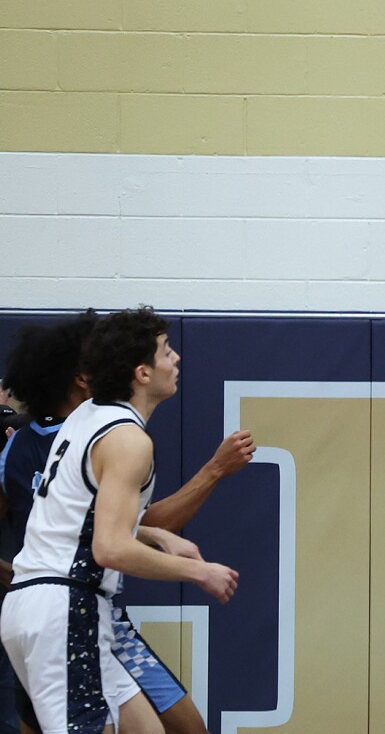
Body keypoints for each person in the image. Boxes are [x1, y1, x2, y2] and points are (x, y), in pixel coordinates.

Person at [0, 311, 255, 734]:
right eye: (166, 352)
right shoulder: (128, 440)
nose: (176, 360)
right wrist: (198, 571)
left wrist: (153, 533)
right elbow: (110, 548)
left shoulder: (84, 418)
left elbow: (81, 520)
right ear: (141, 372)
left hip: (48, 605)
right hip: (65, 608)